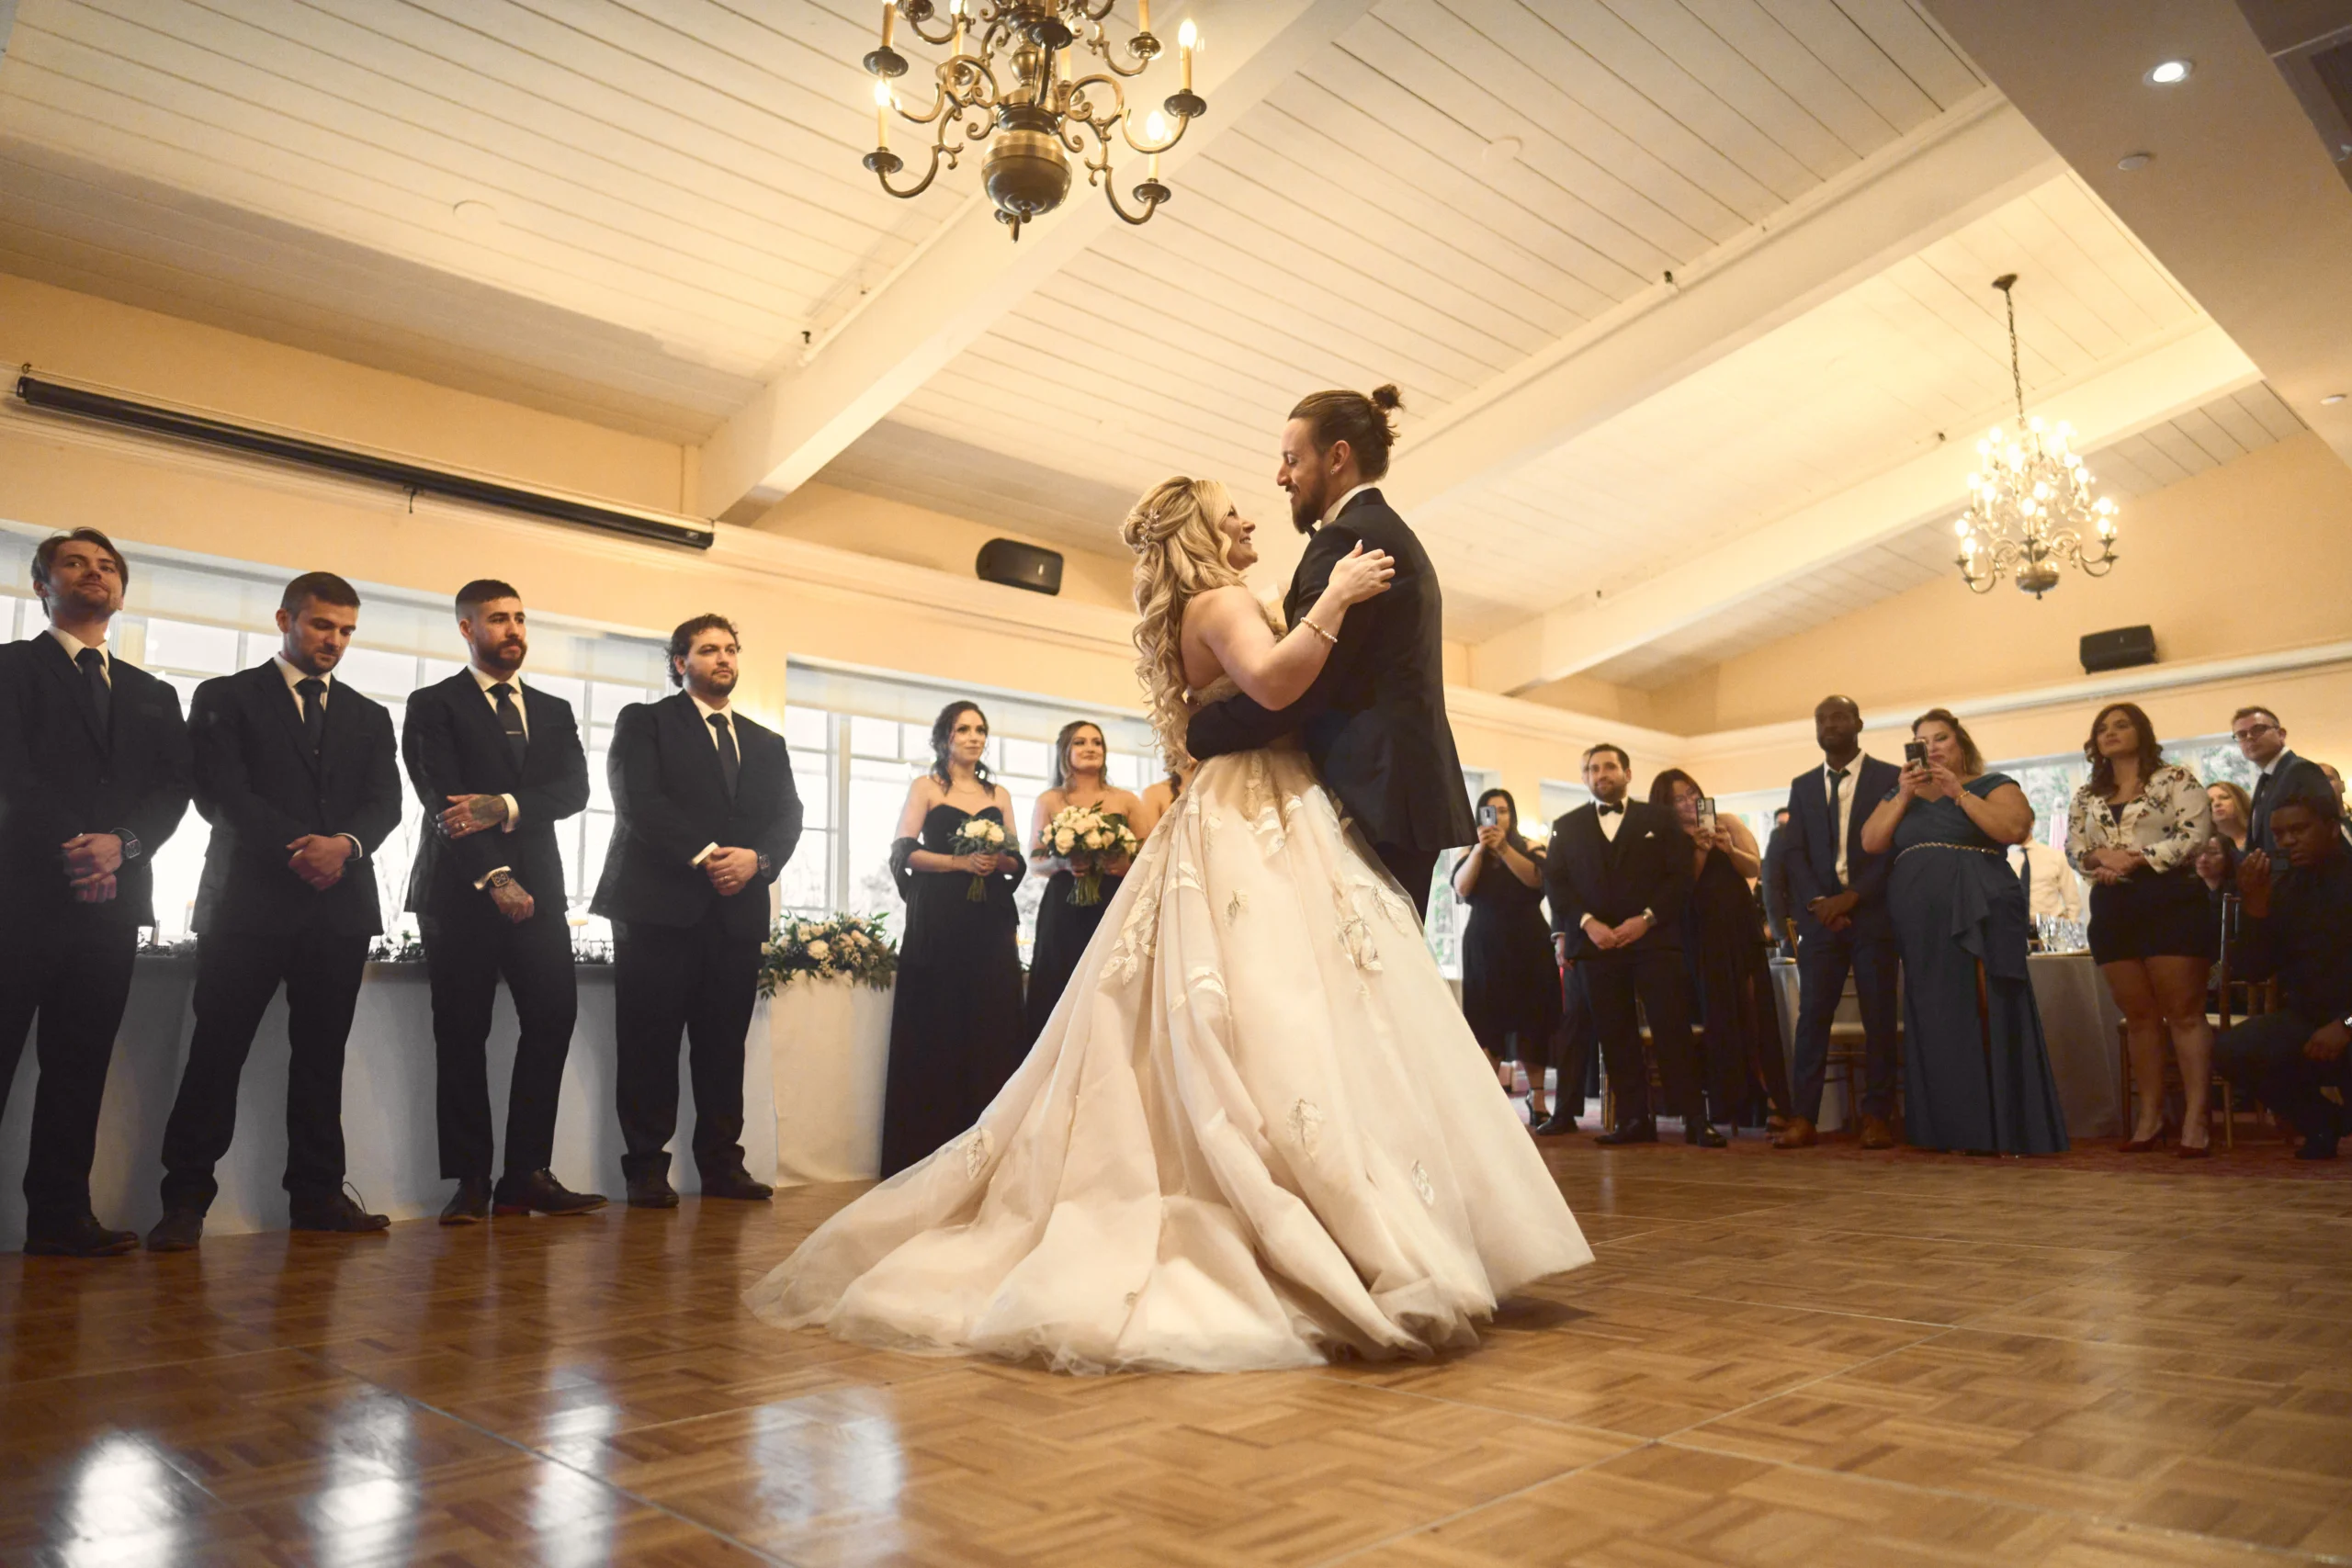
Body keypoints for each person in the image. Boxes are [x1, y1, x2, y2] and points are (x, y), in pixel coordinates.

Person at [748, 473, 1589, 1371]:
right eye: (1233, 510)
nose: (1250, 517)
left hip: (1238, 804)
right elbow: (1269, 684)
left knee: (1275, 1000)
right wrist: (1337, 598)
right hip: (1260, 807)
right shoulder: (1222, 600)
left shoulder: (1200, 604)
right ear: (1200, 528)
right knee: (1280, 998)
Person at [147, 572, 403, 1251]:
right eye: (323, 625)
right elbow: (220, 793)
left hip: (340, 910)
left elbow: (386, 805)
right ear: (286, 618)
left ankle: (318, 1196)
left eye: (347, 630)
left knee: (321, 1058)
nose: (335, 641)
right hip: (247, 905)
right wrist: (303, 848)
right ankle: (184, 1203)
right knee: (216, 1054)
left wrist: (342, 847)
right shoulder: (226, 696)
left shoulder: (370, 716)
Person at [1186, 386, 1476, 918]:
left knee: (1369, 979)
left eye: (1292, 459)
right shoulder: (1382, 530)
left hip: (1374, 794)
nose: (1281, 477)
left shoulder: (1348, 539)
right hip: (1399, 790)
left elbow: (1304, 686)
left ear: (1337, 456)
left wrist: (1200, 730)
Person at [0, 529, 191, 1257]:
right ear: (42, 585)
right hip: (18, 898)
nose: (94, 573)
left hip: (112, 908)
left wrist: (122, 846)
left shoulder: (152, 692)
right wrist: (80, 848)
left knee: (79, 1064)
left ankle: (59, 1217)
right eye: (75, 563)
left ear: (121, 590)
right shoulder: (11, 668)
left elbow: (173, 789)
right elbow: (12, 772)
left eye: (108, 566)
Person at [403, 579, 604, 1223]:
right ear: (467, 628)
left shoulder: (553, 708)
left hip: (540, 891)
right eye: (497, 619)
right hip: (457, 892)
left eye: (519, 618)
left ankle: (526, 1173)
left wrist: (507, 806)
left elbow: (573, 789)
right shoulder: (432, 703)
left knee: (552, 1018)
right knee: (461, 1032)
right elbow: (444, 803)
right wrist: (494, 876)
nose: (513, 629)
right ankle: (469, 1179)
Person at [594, 615, 802, 1209]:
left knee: (722, 1045)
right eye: (708, 649)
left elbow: (788, 816)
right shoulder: (647, 721)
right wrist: (710, 856)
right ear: (680, 661)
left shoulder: (767, 741)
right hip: (657, 908)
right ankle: (645, 1169)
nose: (724, 658)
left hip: (735, 914)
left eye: (731, 648)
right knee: (648, 1042)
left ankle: (720, 1165)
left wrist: (758, 860)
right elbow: (637, 800)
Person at [1861, 708, 2067, 1156]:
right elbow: (1871, 841)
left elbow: (2013, 829)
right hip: (1918, 916)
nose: (1933, 747)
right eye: (1923, 740)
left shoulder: (1994, 784)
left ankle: (1996, 1126)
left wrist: (1958, 793)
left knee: (1982, 1004)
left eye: (1942, 738)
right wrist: (1902, 795)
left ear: (1960, 743)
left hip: (1981, 903)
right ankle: (1948, 1127)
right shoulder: (1901, 792)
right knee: (1935, 1013)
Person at [876, 700, 1028, 1177]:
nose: (973, 736)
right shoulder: (926, 787)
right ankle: (925, 1145)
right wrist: (961, 863)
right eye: (963, 729)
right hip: (938, 918)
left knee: (991, 1019)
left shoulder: (997, 793)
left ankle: (990, 1148)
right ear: (945, 738)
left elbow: (1016, 859)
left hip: (987, 920)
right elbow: (903, 850)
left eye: (980, 729)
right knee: (938, 1019)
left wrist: (994, 861)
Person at [1545, 745, 1720, 1147]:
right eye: (1592, 768)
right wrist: (1588, 926)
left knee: (1671, 1029)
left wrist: (1645, 920)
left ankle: (1695, 1119)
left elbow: (1679, 878)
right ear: (1584, 778)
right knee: (1615, 1034)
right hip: (1597, 946)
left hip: (1654, 940)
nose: (1600, 773)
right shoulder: (1567, 826)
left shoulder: (1658, 819)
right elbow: (1557, 883)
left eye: (1609, 766)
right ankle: (1632, 1119)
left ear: (1627, 773)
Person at [2066, 703, 2217, 1156]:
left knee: (2184, 1013)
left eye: (2121, 724)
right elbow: (2076, 847)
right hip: (2113, 907)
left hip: (2170, 900)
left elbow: (2194, 833)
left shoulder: (2176, 780)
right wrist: (2098, 860)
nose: (2110, 733)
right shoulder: (2087, 794)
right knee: (2140, 1018)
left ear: (2142, 732)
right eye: (2102, 729)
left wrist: (2135, 858)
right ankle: (2151, 1116)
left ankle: (2196, 1116)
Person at [1775, 695, 1902, 1151]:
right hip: (1821, 921)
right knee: (1812, 1019)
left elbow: (1894, 847)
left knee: (1879, 1016)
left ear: (1859, 723)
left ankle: (1876, 1116)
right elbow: (1794, 852)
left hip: (1873, 915)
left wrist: (1853, 897)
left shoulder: (1890, 777)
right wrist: (1818, 901)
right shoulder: (1803, 784)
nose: (1829, 724)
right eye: (1821, 718)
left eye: (1839, 716)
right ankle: (1803, 1117)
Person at [2215, 790, 2352, 1159]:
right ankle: (2324, 1121)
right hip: (2309, 1019)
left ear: (2331, 828)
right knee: (2234, 1051)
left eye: (2300, 829)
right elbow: (2253, 972)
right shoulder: (2285, 887)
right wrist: (2256, 908)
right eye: (2280, 834)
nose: (2289, 840)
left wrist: (2346, 1023)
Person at [1651, 770, 1790, 1132]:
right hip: (1699, 935)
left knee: (1755, 1012)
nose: (1688, 802)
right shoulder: (1662, 841)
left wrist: (1727, 848)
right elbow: (1679, 892)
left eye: (1692, 793)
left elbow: (1754, 868)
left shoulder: (1725, 821)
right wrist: (1698, 848)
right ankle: (1731, 1102)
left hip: (1739, 928)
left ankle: (1772, 1097)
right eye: (1678, 798)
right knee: (1722, 1016)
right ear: (1666, 805)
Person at [1024, 720, 1144, 1043]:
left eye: (1097, 742)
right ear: (1065, 751)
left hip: (1112, 901)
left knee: (1108, 981)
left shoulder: (1126, 800)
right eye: (1080, 742)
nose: (1090, 748)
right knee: (1060, 980)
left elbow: (1150, 856)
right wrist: (1063, 861)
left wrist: (1122, 864)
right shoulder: (1050, 800)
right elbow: (1035, 860)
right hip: (1065, 903)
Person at [1451, 788, 1558, 1115]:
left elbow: (1536, 882)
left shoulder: (1530, 847)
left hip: (1529, 944)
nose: (1497, 817)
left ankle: (1537, 1098)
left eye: (1503, 810)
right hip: (1485, 945)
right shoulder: (1470, 851)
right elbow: (1461, 889)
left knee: (1533, 1020)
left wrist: (1505, 848)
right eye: (1489, 810)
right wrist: (1481, 850)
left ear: (1512, 815)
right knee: (1487, 1020)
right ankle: (1491, 1106)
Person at [2233, 705, 2331, 857]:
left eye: (2258, 729)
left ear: (2281, 734)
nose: (2249, 738)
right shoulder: (2267, 778)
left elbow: (2322, 832)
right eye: (2241, 734)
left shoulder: (2301, 770)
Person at [2007, 831, 2083, 928]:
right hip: (2013, 927)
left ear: (2031, 822)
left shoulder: (2055, 857)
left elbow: (2073, 901)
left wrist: (2070, 927)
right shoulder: (2005, 859)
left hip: (2050, 928)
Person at [1760, 806, 1794, 959]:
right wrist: (1780, 931)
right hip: (1792, 926)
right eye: (1782, 824)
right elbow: (1771, 886)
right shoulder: (1777, 839)